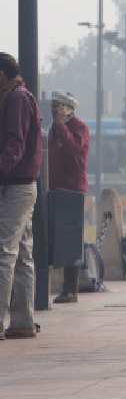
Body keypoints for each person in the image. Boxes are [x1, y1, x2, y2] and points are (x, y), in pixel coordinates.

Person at [0, 53, 42, 340]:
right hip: (24, 184)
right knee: (23, 253)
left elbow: (15, 142)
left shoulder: (16, 99)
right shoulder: (19, 96)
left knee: (4, 253)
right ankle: (23, 320)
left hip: (15, 185)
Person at [47, 91, 89, 304]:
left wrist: (62, 125)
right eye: (54, 106)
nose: (55, 110)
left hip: (73, 189)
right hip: (55, 188)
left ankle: (70, 289)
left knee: (72, 241)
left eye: (59, 106)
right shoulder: (54, 128)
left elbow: (74, 149)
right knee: (55, 238)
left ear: (69, 108)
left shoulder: (79, 127)